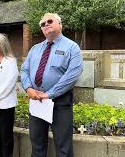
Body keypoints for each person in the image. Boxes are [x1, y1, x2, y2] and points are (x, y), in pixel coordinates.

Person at [21, 13, 83, 157]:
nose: (46, 25)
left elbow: (73, 74)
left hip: (60, 102)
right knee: (37, 144)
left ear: (60, 24)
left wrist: (50, 93)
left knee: (63, 146)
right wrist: (28, 88)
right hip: (37, 100)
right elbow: (24, 69)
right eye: (43, 24)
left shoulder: (72, 47)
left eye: (50, 21)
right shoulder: (35, 49)